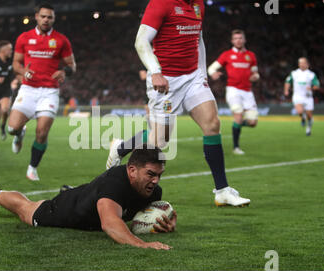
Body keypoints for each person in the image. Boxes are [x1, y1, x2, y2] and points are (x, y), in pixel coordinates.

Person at [106, 0, 250, 207]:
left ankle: (222, 191)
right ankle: (122, 150)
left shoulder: (198, 4)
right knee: (160, 142)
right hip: (165, 80)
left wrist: (201, 72)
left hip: (192, 78)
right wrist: (155, 71)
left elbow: (198, 38)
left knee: (212, 124)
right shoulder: (161, 3)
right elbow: (141, 41)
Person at [0, 148, 177, 250]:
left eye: (159, 175)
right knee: (27, 211)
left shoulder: (153, 191)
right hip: (68, 212)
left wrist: (164, 222)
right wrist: (142, 244)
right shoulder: (115, 183)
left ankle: (70, 192)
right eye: (150, 174)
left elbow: (146, 215)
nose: (156, 180)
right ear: (132, 170)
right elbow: (110, 223)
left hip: (87, 200)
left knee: (89, 195)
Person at [9, 2, 77, 181]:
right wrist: (24, 71)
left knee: (42, 132)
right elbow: (15, 63)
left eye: (50, 17)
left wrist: (64, 72)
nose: (46, 19)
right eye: (43, 16)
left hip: (49, 92)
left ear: (54, 19)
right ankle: (19, 134)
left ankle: (32, 167)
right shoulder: (24, 37)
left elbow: (72, 66)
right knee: (12, 128)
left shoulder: (61, 40)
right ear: (37, 17)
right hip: (28, 89)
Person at [207, 30, 260, 155]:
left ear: (244, 40)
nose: (238, 40)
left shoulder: (251, 55)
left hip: (248, 91)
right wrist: (213, 73)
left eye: (240, 38)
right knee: (238, 116)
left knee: (253, 123)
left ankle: (237, 124)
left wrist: (255, 77)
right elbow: (211, 68)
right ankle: (236, 147)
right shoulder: (227, 55)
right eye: (236, 38)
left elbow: (255, 73)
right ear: (232, 41)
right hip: (233, 90)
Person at [284, 57, 320, 136]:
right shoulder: (294, 73)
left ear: (307, 64)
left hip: (308, 97)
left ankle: (308, 129)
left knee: (309, 116)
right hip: (297, 96)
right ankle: (303, 118)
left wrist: (311, 88)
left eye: (303, 62)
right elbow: (287, 82)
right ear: (298, 64)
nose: (302, 64)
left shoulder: (311, 74)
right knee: (299, 111)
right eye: (300, 63)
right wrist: (286, 90)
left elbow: (317, 86)